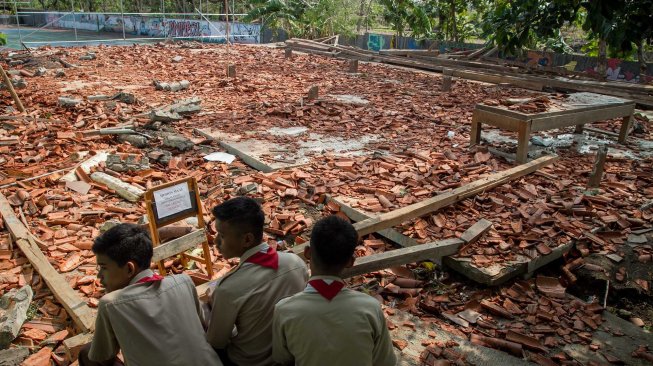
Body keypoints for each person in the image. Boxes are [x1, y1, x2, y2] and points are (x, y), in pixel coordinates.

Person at [79, 223, 221, 366]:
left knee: (87, 353)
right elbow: (206, 324)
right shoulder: (183, 281)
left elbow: (103, 357)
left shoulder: (110, 304)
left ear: (129, 268)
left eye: (103, 268)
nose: (99, 276)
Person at [272, 215, 397, 366]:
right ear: (351, 262)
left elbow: (282, 360)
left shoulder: (285, 310)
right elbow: (385, 362)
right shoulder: (370, 309)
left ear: (307, 253)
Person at [206, 197, 308, 366]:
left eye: (222, 236)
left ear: (247, 239)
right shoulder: (296, 264)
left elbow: (217, 342)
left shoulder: (228, 289)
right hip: (290, 357)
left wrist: (214, 303)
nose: (216, 241)